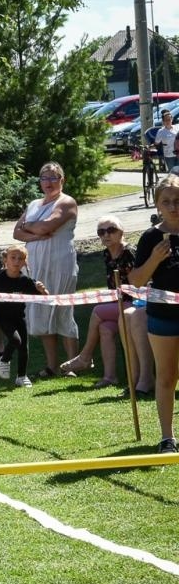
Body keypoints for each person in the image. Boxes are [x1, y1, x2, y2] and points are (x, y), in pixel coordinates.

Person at [61, 217, 153, 392]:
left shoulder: (129, 252)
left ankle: (85, 357)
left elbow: (139, 283)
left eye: (111, 230)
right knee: (105, 328)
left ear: (121, 232)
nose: (106, 235)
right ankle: (110, 377)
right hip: (120, 302)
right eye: (101, 232)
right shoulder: (106, 254)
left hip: (138, 303)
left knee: (97, 311)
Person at [12, 162, 80, 376]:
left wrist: (31, 227)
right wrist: (36, 234)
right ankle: (52, 365)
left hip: (60, 262)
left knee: (62, 309)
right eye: (44, 178)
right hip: (36, 264)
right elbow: (16, 232)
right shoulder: (33, 204)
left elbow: (47, 226)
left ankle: (71, 365)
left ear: (62, 180)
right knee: (41, 310)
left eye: (53, 178)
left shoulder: (66, 202)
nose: (48, 182)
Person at [130, 176, 179, 452]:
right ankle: (167, 438)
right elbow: (136, 280)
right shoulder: (151, 237)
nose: (173, 207)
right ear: (158, 205)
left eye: (178, 201)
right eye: (167, 202)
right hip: (163, 315)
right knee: (167, 376)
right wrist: (155, 259)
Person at [0, 245, 48, 388]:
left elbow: (45, 297)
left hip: (19, 316)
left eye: (21, 259)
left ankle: (21, 377)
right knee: (16, 340)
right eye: (13, 258)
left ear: (25, 262)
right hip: (2, 316)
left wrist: (43, 290)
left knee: (24, 346)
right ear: (5, 259)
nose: (16, 261)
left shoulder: (25, 281)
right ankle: (4, 360)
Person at [155, 109, 179, 176]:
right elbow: (156, 142)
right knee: (172, 174)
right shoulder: (161, 131)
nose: (168, 121)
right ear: (163, 121)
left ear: (172, 119)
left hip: (178, 153)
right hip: (169, 155)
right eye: (166, 120)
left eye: (169, 119)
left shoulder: (177, 128)